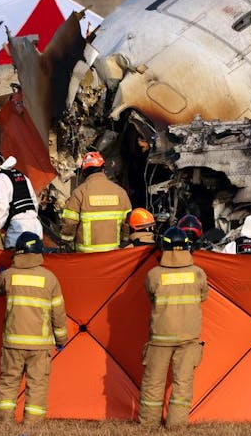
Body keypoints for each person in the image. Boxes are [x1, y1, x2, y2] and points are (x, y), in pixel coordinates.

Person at [0, 232, 67, 424]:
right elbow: (58, 314)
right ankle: (32, 426)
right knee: (37, 385)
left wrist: (1, 273)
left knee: (8, 382)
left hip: (13, 343)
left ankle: (4, 424)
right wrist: (61, 340)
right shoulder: (50, 279)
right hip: (40, 346)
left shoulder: (9, 275)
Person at [139, 227, 208, 428]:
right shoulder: (197, 273)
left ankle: (149, 424)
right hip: (189, 338)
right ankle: (176, 425)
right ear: (187, 247)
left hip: (160, 337)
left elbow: (151, 297)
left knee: (153, 382)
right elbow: (203, 296)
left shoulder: (154, 274)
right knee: (183, 384)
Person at [60, 151, 132, 253]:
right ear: (103, 169)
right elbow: (127, 224)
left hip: (86, 257)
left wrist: (66, 242)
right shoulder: (120, 192)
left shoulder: (79, 193)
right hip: (114, 255)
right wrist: (124, 242)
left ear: (84, 172)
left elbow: (70, 223)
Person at [0, 152, 42, 248]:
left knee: (14, 261)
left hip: (18, 231)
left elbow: (2, 208)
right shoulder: (22, 175)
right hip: (36, 227)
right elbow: (34, 202)